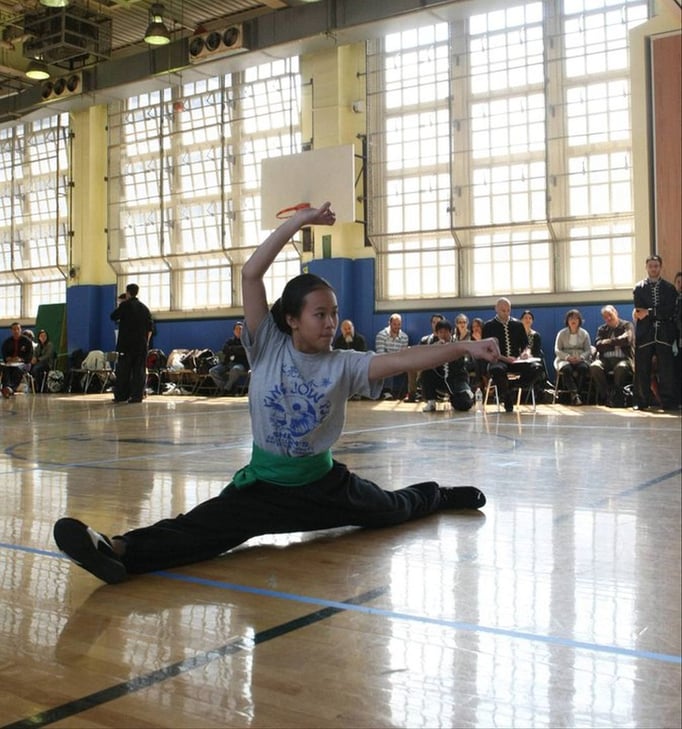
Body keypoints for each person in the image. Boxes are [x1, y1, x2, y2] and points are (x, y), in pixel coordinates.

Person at [53, 202, 501, 584]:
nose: (330, 323)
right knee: (199, 530)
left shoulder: (344, 364)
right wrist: (299, 221)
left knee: (391, 509)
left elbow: (406, 360)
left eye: (334, 314)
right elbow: (251, 274)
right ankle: (116, 550)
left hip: (324, 486)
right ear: (291, 319)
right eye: (320, 314)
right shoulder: (266, 344)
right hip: (264, 488)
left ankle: (440, 495)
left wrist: (464, 346)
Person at [632, 255, 678, 411]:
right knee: (642, 369)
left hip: (664, 333)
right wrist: (655, 313)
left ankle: (668, 402)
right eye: (651, 266)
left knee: (667, 370)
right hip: (645, 333)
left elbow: (669, 311)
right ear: (646, 267)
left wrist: (650, 313)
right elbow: (639, 311)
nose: (653, 269)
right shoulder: (639, 288)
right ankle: (641, 401)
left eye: (656, 266)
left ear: (660, 267)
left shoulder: (669, 288)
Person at [483, 298, 544, 412]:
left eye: (508, 310)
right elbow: (486, 350)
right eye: (503, 310)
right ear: (496, 309)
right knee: (497, 370)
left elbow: (526, 345)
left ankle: (512, 387)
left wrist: (525, 353)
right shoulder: (488, 326)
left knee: (537, 368)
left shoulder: (518, 324)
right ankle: (507, 397)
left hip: (516, 361)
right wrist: (504, 358)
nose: (506, 313)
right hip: (498, 360)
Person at [110, 283, 154, 403]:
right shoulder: (145, 308)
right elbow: (150, 329)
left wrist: (120, 305)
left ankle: (122, 396)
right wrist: (146, 343)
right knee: (139, 372)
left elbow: (113, 316)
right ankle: (137, 396)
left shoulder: (125, 305)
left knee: (124, 371)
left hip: (126, 345)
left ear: (128, 293)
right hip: (141, 345)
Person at [421, 320, 474, 412]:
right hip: (440, 379)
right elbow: (424, 360)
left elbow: (460, 365)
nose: (443, 335)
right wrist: (435, 350)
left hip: (456, 380)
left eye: (446, 332)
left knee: (464, 404)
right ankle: (431, 401)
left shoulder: (457, 345)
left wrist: (448, 351)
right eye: (440, 332)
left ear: (450, 332)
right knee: (426, 371)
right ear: (437, 334)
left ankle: (458, 397)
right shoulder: (433, 345)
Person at [589, 305, 634, 407]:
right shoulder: (602, 329)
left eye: (610, 315)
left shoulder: (627, 325)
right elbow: (598, 345)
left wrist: (608, 342)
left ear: (616, 313)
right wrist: (618, 341)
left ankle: (617, 395)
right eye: (605, 317)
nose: (608, 318)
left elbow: (627, 340)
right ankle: (606, 395)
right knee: (594, 366)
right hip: (606, 360)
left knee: (621, 368)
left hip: (623, 358)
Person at [554, 309, 592, 406]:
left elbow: (588, 350)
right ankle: (574, 394)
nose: (573, 321)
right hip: (565, 359)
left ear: (579, 320)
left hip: (580, 359)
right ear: (567, 321)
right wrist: (567, 357)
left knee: (583, 368)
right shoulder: (561, 333)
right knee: (567, 369)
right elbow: (557, 350)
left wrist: (581, 357)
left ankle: (578, 394)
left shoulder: (584, 333)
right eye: (571, 318)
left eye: (576, 318)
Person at [375, 313, 409, 399]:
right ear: (389, 323)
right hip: (385, 361)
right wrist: (393, 359)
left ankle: (408, 393)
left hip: (399, 362)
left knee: (411, 365)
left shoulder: (404, 337)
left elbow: (404, 355)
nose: (397, 327)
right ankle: (387, 391)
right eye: (394, 324)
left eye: (399, 324)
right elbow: (380, 354)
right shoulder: (381, 335)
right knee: (387, 363)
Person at [209, 321, 249, 395]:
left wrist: (231, 349)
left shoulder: (247, 341)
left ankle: (226, 389)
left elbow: (243, 350)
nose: (238, 331)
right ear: (234, 331)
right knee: (213, 371)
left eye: (240, 329)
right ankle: (230, 389)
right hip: (227, 363)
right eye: (237, 329)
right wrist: (236, 349)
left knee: (235, 369)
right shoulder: (230, 341)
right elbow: (224, 350)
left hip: (241, 364)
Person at [1, 322, 34, 397]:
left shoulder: (27, 341)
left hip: (24, 364)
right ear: (11, 331)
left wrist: (21, 359)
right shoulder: (7, 342)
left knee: (17, 369)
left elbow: (30, 356)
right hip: (10, 363)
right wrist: (9, 359)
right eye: (14, 329)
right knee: (5, 369)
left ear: (20, 330)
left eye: (18, 329)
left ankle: (11, 389)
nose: (16, 331)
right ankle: (6, 387)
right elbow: (5, 355)